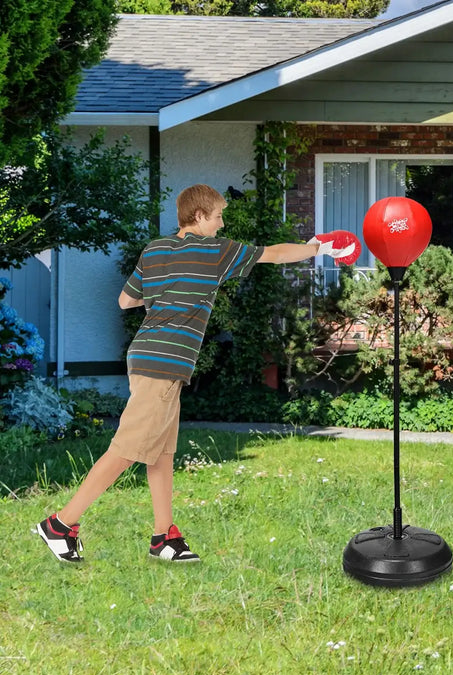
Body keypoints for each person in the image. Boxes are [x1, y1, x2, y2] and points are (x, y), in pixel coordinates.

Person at [36, 184, 356, 564]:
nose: (222, 224)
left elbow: (126, 300)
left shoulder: (155, 249)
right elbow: (273, 254)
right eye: (218, 216)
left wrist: (167, 291)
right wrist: (317, 247)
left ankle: (164, 536)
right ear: (200, 216)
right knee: (127, 450)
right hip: (164, 361)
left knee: (160, 451)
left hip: (147, 356)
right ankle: (60, 524)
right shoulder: (213, 251)